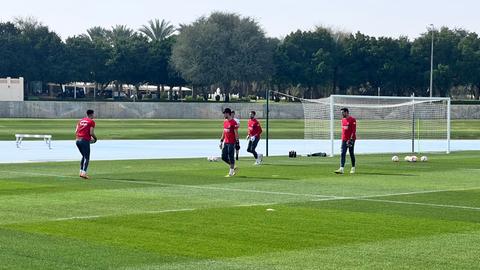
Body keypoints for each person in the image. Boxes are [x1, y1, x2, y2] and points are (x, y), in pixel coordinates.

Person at [75, 109, 97, 179]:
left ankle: (81, 172)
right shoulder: (91, 122)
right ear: (91, 114)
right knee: (87, 157)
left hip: (77, 140)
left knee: (83, 156)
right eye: (93, 114)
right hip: (84, 140)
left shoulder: (80, 121)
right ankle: (84, 173)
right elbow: (91, 133)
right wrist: (95, 138)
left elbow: (76, 131)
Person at [335, 108, 356, 174]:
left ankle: (353, 167)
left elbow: (353, 131)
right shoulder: (342, 120)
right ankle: (341, 168)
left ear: (347, 112)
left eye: (343, 112)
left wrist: (351, 139)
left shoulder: (352, 120)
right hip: (344, 139)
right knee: (342, 153)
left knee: (351, 153)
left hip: (351, 139)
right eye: (341, 113)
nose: (342, 114)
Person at [220, 108, 239, 177]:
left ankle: (231, 173)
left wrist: (237, 142)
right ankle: (234, 166)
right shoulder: (225, 122)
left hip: (232, 142)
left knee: (231, 157)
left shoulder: (233, 122)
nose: (224, 115)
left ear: (228, 113)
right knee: (223, 157)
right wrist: (221, 141)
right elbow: (224, 132)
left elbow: (236, 133)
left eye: (225, 113)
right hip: (226, 142)